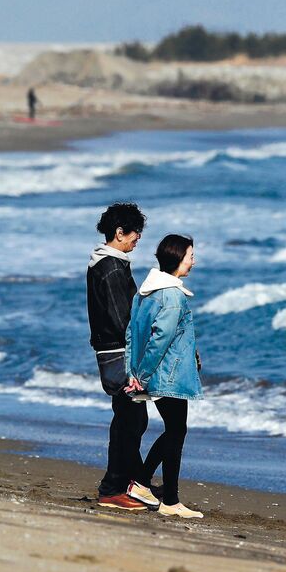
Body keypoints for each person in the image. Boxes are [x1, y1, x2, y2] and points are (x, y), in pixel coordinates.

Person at [126, 234, 204, 519]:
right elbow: (161, 339)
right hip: (167, 374)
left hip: (155, 372)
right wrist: (143, 376)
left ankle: (169, 498)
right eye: (191, 256)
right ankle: (144, 484)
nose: (193, 261)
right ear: (178, 258)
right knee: (176, 431)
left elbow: (132, 333)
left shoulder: (145, 292)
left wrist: (133, 372)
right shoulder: (172, 295)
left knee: (175, 431)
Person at [87, 203, 157, 511]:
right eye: (135, 235)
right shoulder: (112, 268)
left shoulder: (104, 263)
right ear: (119, 233)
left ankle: (127, 481)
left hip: (110, 351)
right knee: (132, 418)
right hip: (119, 353)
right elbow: (121, 320)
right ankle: (115, 487)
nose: (137, 240)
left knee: (129, 418)